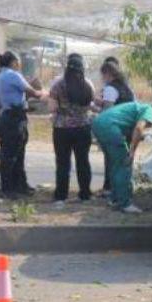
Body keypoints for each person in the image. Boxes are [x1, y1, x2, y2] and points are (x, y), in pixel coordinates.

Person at [91, 100, 152, 214]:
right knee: (124, 165)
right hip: (110, 127)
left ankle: (115, 199)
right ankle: (125, 204)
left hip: (99, 123)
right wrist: (131, 152)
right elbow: (138, 129)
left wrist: (132, 144)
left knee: (115, 165)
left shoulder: (137, 109)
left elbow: (131, 131)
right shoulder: (149, 110)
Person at [0, 51, 44, 199]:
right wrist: (42, 93)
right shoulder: (13, 75)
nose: (20, 64)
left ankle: (17, 185)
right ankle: (10, 188)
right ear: (14, 62)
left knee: (9, 153)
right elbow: (33, 92)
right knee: (15, 153)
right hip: (15, 118)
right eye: (18, 62)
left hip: (4, 117)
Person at [48, 54, 95, 204]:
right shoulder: (88, 84)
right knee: (83, 161)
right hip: (83, 128)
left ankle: (61, 196)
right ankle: (85, 194)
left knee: (62, 163)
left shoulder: (58, 85)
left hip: (62, 129)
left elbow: (52, 107)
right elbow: (91, 105)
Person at [96, 58, 134, 198]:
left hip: (115, 129)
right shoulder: (127, 87)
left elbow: (108, 111)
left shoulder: (110, 88)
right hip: (128, 128)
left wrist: (96, 106)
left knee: (112, 161)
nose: (102, 78)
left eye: (103, 75)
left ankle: (110, 189)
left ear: (108, 74)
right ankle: (124, 189)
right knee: (124, 160)